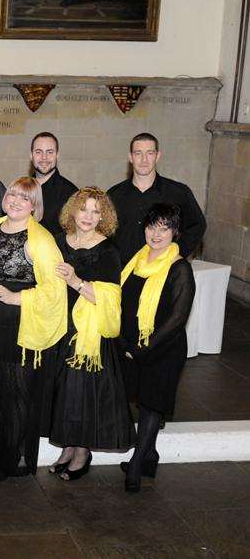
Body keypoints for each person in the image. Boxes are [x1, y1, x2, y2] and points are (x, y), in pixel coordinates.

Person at [0, 177, 68, 480]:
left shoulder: (42, 239)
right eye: (12, 194)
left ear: (34, 205)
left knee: (16, 391)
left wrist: (16, 297)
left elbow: (54, 290)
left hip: (20, 322)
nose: (14, 201)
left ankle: (12, 457)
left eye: (24, 198)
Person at [45, 187, 135, 482]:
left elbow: (110, 297)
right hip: (61, 327)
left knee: (83, 393)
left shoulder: (108, 249)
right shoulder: (58, 242)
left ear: (103, 217)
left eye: (96, 211)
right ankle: (68, 446)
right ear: (73, 210)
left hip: (90, 335)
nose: (88, 216)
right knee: (64, 392)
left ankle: (82, 451)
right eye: (84, 209)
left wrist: (75, 281)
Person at [119, 203, 196, 493]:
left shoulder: (180, 269)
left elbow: (178, 318)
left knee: (152, 405)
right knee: (140, 399)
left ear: (175, 232)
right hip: (133, 346)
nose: (156, 234)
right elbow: (121, 302)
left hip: (163, 348)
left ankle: (137, 465)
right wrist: (125, 342)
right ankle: (150, 456)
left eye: (164, 228)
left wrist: (145, 348)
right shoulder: (135, 261)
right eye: (153, 227)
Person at [108, 133, 207, 264]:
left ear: (157, 156)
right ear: (130, 157)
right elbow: (103, 233)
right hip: (122, 273)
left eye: (150, 153)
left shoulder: (178, 192)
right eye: (138, 153)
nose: (144, 160)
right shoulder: (114, 194)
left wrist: (175, 254)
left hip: (162, 272)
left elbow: (197, 225)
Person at [30, 132, 77, 236]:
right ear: (31, 155)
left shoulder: (71, 193)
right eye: (38, 152)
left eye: (50, 152)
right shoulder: (21, 189)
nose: (44, 157)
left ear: (57, 155)